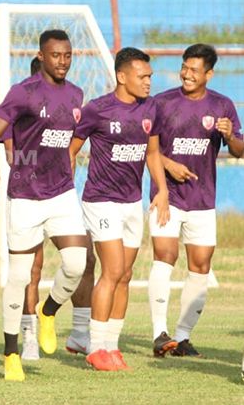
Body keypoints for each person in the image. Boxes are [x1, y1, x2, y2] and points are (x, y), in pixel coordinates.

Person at [0, 30, 88, 381]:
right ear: (42, 56)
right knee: (18, 276)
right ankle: (10, 352)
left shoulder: (77, 94)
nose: (62, 61)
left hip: (61, 192)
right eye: (55, 55)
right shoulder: (23, 93)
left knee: (77, 262)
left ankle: (48, 312)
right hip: (26, 196)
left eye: (67, 55)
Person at [69, 47, 170, 371]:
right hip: (101, 201)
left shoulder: (150, 109)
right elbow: (70, 151)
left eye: (150, 77)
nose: (148, 82)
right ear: (122, 76)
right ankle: (95, 347)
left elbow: (152, 153)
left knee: (125, 275)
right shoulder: (97, 110)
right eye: (142, 76)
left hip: (131, 202)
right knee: (111, 271)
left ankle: (111, 346)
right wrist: (64, 192)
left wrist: (163, 190)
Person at [148, 43, 243, 357]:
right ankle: (159, 334)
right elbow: (146, 149)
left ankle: (182, 337)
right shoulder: (162, 103)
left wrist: (230, 136)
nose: (187, 74)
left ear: (209, 74)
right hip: (166, 197)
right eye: (184, 67)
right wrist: (168, 164)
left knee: (200, 266)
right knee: (165, 256)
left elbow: (240, 150)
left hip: (202, 200)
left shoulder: (223, 105)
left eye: (194, 70)